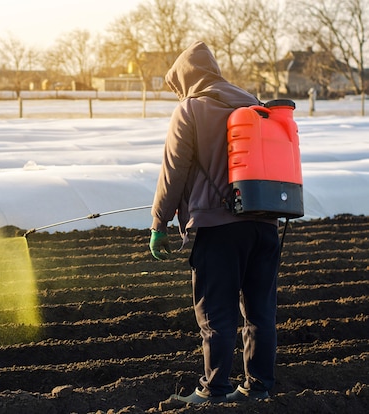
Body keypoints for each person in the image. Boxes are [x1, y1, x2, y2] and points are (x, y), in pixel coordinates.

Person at [149, 41, 281, 404]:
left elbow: (173, 172)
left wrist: (159, 223)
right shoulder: (254, 105)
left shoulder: (190, 109)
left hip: (218, 228)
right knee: (260, 312)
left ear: (185, 78)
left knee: (216, 312)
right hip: (266, 224)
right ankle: (259, 387)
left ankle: (214, 390)